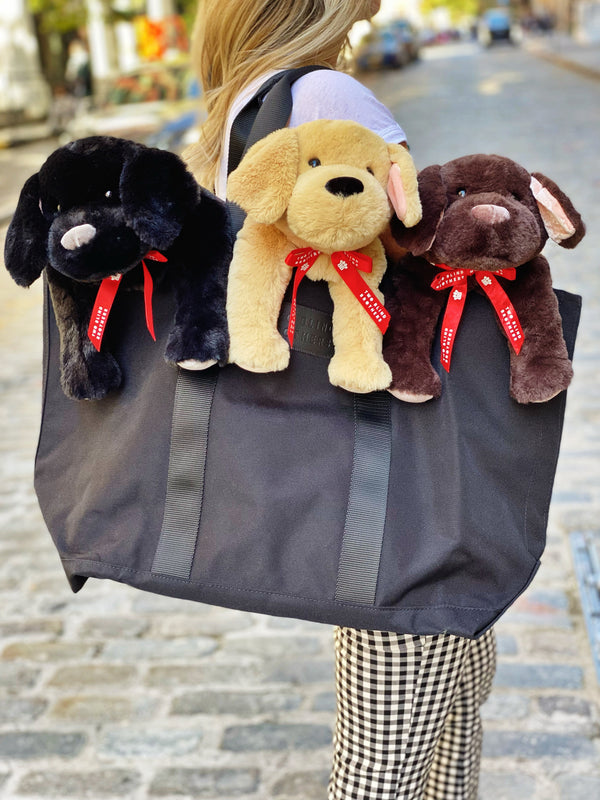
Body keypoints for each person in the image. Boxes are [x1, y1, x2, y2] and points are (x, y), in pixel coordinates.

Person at [184, 2, 497, 798]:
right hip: (399, 466)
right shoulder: (328, 97)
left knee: (453, 692)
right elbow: (421, 238)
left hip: (335, 453)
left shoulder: (244, 104)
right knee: (386, 752)